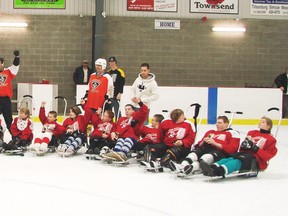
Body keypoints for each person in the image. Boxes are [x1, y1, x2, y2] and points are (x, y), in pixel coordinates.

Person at [200, 117, 277, 177]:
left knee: (237, 162)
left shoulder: (271, 139)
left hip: (254, 158)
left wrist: (255, 149)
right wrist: (245, 145)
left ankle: (217, 171)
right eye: (260, 121)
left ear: (268, 126)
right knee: (230, 158)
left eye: (263, 122)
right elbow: (242, 148)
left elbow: (267, 156)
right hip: (245, 153)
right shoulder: (253, 132)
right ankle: (212, 167)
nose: (260, 123)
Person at [170, 116, 240, 175]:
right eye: (217, 122)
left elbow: (232, 149)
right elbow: (199, 145)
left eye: (219, 123)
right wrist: (203, 142)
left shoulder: (232, 133)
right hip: (205, 147)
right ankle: (182, 166)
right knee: (193, 154)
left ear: (226, 124)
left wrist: (215, 143)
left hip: (219, 151)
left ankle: (192, 167)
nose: (217, 124)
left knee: (205, 158)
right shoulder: (211, 132)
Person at [102, 97, 148, 161]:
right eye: (125, 109)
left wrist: (139, 102)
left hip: (132, 140)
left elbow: (145, 111)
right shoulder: (121, 119)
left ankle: (123, 154)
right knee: (120, 140)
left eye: (129, 109)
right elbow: (115, 127)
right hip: (121, 138)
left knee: (127, 139)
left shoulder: (136, 117)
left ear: (133, 111)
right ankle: (116, 153)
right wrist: (113, 132)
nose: (127, 111)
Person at [0, 50, 20, 132]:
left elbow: (15, 66)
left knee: (8, 120)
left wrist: (17, 57)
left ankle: (14, 137)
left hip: (5, 99)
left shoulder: (8, 71)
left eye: (1, 63)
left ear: (2, 63)